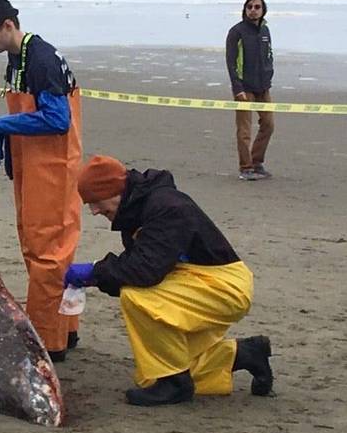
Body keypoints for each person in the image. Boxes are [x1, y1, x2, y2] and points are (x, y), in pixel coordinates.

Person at [65, 155, 274, 406]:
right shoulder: (139, 210)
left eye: (96, 202)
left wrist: (95, 272)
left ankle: (173, 381)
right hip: (200, 280)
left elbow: (144, 270)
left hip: (224, 286)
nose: (95, 211)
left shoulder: (166, 207)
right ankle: (244, 354)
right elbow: (144, 263)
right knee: (168, 363)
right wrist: (98, 275)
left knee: (138, 298)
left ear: (115, 191)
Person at [0, 0, 83, 362]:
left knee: (49, 253)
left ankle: (49, 341)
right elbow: (27, 110)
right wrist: (2, 138)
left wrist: (2, 124)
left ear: (8, 26)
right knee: (36, 246)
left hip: (54, 169)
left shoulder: (42, 59)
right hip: (31, 165)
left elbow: (57, 119)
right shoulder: (16, 59)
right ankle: (64, 327)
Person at [226, 0, 275, 181]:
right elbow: (231, 62)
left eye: (257, 7)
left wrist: (269, 74)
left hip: (263, 86)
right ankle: (246, 167)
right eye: (249, 7)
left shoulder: (265, 30)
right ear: (245, 9)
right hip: (244, 88)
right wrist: (237, 87)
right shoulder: (236, 32)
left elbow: (269, 54)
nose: (253, 10)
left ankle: (257, 162)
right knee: (244, 130)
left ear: (263, 10)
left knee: (269, 125)